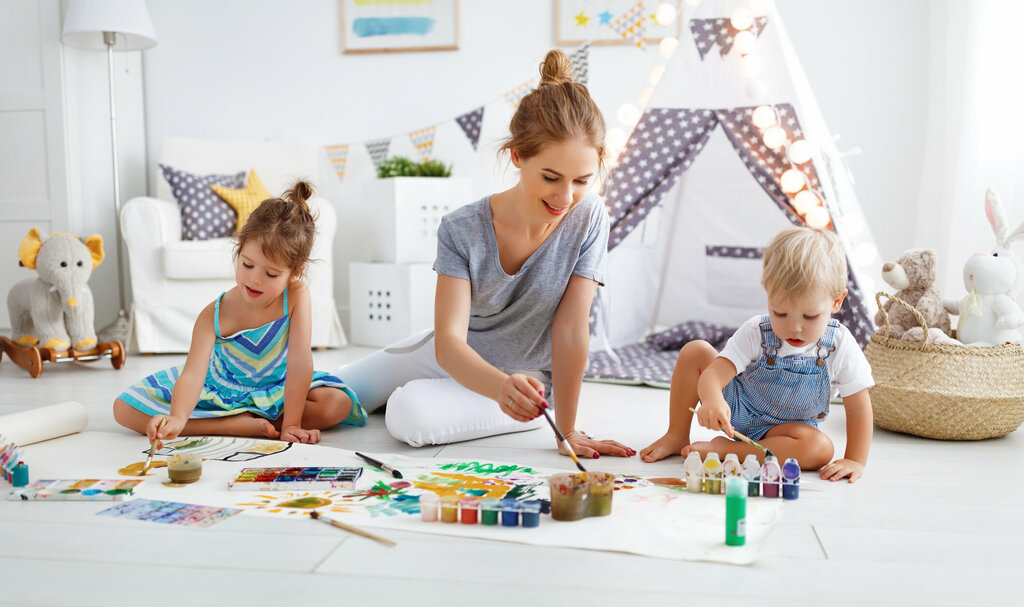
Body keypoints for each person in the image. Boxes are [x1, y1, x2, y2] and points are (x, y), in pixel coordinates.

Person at [337, 49, 634, 459]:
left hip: (525, 381)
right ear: (516, 155)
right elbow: (448, 344)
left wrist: (565, 432)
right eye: (550, 177)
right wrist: (495, 387)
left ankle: (412, 398)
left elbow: (570, 331)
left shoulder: (589, 217)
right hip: (453, 358)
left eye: (581, 180)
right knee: (329, 394)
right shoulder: (461, 229)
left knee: (411, 416)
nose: (565, 197)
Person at [113, 181, 366, 445]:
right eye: (247, 264)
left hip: (278, 388)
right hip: (221, 391)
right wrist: (176, 418)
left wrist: (292, 424)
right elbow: (192, 376)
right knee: (123, 409)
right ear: (239, 250)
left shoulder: (297, 295)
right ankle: (230, 424)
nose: (255, 280)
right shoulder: (212, 315)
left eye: (271, 273)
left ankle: (254, 422)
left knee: (337, 404)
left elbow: (300, 363)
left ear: (295, 273)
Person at [639, 227, 874, 482]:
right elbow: (713, 376)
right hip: (737, 409)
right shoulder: (757, 331)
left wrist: (854, 459)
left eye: (809, 316)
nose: (794, 327)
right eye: (780, 313)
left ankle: (730, 451)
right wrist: (713, 399)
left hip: (786, 434)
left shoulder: (840, 345)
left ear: (836, 302)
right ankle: (676, 434)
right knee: (695, 351)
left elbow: (859, 409)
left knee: (820, 449)